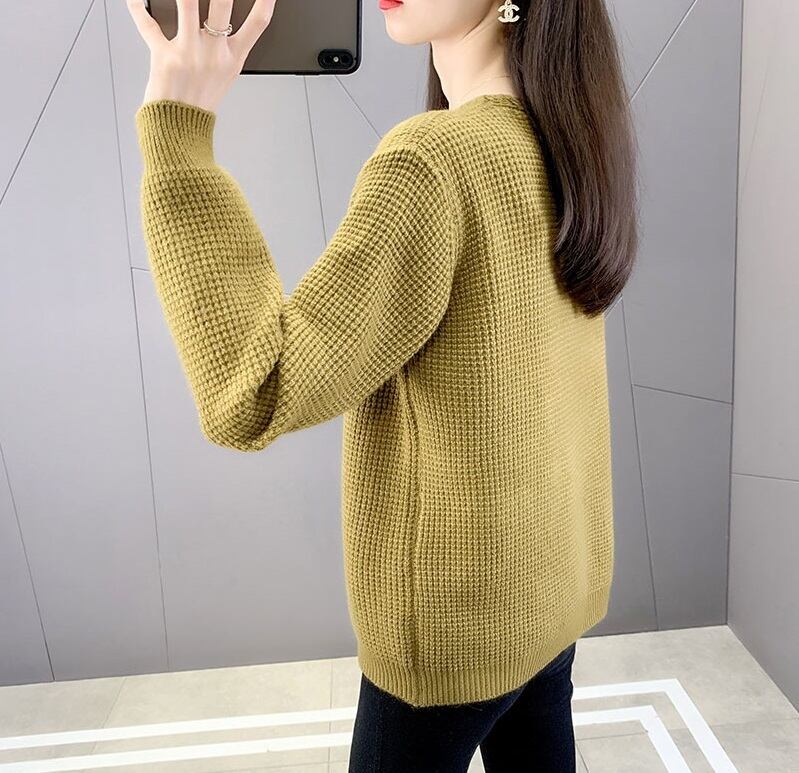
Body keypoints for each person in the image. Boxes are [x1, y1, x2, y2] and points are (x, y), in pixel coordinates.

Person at [127, 0, 637, 770]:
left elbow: (253, 389)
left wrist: (177, 129)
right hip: (553, 591)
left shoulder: (433, 161)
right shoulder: (564, 135)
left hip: (452, 629)